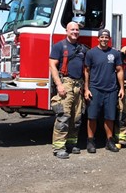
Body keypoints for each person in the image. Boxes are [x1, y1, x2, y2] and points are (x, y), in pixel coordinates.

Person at [49, 21, 87, 159]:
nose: (75, 32)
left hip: (78, 86)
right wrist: (59, 84)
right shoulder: (59, 46)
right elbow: (52, 66)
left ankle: (71, 143)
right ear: (67, 31)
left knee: (76, 118)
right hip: (66, 84)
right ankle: (59, 147)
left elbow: (87, 69)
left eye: (77, 30)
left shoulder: (82, 48)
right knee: (63, 117)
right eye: (72, 30)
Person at [84, 29, 124, 153]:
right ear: (98, 38)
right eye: (102, 37)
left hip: (111, 90)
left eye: (106, 37)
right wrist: (86, 89)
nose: (104, 39)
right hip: (95, 89)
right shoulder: (91, 53)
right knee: (92, 117)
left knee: (110, 117)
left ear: (109, 39)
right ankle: (90, 141)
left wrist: (122, 88)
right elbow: (86, 71)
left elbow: (119, 70)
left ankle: (109, 141)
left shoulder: (115, 54)